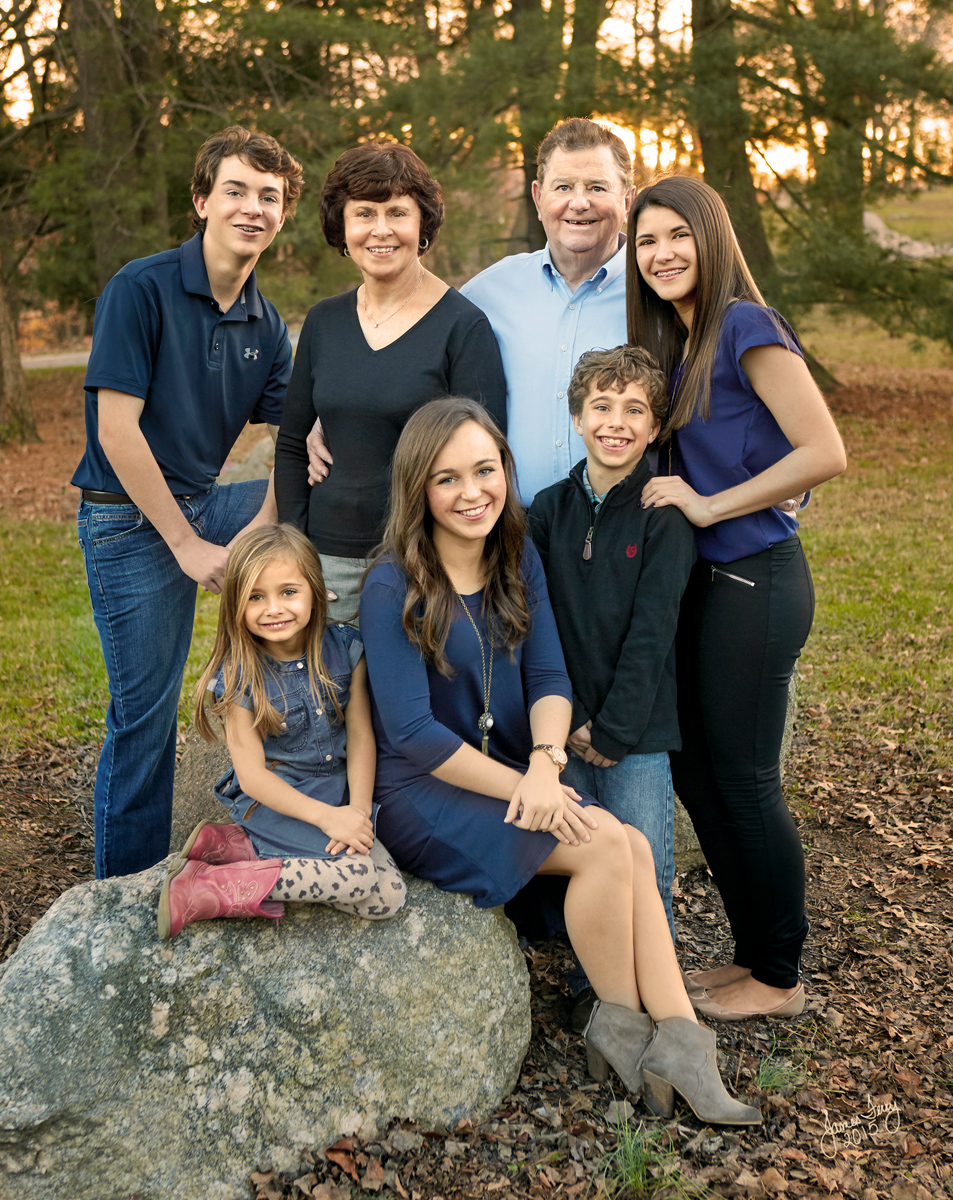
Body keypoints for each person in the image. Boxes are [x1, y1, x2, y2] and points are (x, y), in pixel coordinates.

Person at [357, 396, 761, 1126]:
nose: (472, 491)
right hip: (423, 793)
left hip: (512, 773)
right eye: (447, 479)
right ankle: (627, 1023)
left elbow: (549, 679)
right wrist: (527, 785)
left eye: (485, 470)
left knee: (629, 843)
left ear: (504, 473)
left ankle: (675, 1039)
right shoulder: (393, 584)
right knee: (609, 847)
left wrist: (545, 764)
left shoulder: (517, 559)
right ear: (418, 488)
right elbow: (412, 734)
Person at [627, 175, 847, 1020]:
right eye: (646, 242)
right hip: (705, 586)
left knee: (746, 780)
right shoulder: (677, 344)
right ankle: (754, 955)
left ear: (711, 238)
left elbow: (822, 450)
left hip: (755, 579)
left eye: (677, 235)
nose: (662, 254)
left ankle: (778, 977)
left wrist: (712, 503)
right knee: (695, 770)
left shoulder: (745, 326)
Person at [73, 126, 304, 879]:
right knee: (143, 718)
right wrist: (187, 545)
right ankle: (123, 893)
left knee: (328, 507)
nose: (252, 208)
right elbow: (115, 428)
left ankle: (290, 770)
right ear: (202, 201)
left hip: (207, 504)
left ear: (282, 214)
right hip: (129, 518)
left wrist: (266, 530)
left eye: (268, 197)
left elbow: (296, 437)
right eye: (235, 191)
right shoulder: (141, 287)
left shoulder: (266, 324)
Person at [275, 143, 506, 622]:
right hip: (328, 564)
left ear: (422, 224)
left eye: (397, 212)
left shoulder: (463, 327)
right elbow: (294, 445)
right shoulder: (323, 322)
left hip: (420, 567)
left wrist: (447, 566)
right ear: (343, 226)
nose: (381, 230)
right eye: (364, 214)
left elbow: (485, 464)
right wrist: (295, 553)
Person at [158, 524, 407, 939]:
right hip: (277, 802)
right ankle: (205, 887)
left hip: (337, 796)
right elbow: (253, 777)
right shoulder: (240, 675)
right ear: (236, 603)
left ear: (315, 590)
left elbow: (362, 735)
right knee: (367, 883)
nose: (273, 608)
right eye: (256, 597)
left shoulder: (346, 649)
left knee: (389, 896)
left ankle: (235, 847)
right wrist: (328, 819)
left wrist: (358, 812)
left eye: (288, 592)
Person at [528, 346, 696, 942]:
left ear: (653, 427)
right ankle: (589, 988)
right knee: (582, 861)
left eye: (634, 410)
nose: (615, 423)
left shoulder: (664, 516)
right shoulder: (546, 512)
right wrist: (568, 715)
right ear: (577, 418)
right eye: (601, 406)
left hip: (637, 735)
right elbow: (534, 621)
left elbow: (654, 633)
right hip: (562, 728)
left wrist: (615, 727)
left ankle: (657, 997)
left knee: (643, 868)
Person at [460, 118, 634, 505]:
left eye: (597, 187)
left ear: (627, 200)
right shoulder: (488, 292)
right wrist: (333, 414)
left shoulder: (656, 291)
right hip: (515, 535)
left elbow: (723, 382)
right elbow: (413, 348)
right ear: (538, 198)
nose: (579, 202)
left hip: (627, 532)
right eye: (564, 187)